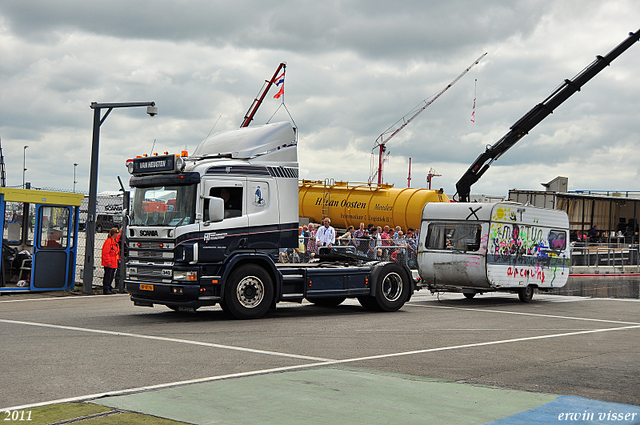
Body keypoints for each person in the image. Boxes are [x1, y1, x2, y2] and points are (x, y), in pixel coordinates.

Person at [101, 227, 120, 294]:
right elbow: (105, 253)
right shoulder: (109, 242)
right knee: (108, 276)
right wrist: (108, 262)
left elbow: (118, 237)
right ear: (114, 233)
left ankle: (109, 287)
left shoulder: (114, 241)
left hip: (114, 262)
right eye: (117, 232)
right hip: (109, 263)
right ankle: (106, 289)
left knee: (111, 276)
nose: (118, 234)